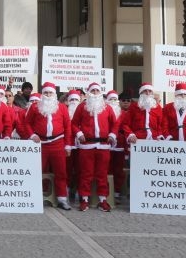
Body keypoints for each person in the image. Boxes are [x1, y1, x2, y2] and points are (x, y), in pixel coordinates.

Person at [23, 82, 73, 210]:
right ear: (42, 94)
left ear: (54, 94)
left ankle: (62, 198)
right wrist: (32, 135)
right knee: (37, 171)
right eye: (46, 93)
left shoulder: (61, 107)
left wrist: (68, 145)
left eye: (50, 92)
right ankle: (35, 196)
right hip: (41, 144)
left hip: (58, 143)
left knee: (61, 172)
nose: (48, 95)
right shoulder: (35, 107)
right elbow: (27, 123)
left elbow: (67, 126)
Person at [71, 82, 119, 212]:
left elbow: (115, 124)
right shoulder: (82, 107)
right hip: (87, 145)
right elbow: (74, 123)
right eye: (93, 91)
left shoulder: (107, 108)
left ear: (101, 93)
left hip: (103, 146)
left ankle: (103, 200)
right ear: (89, 93)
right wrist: (79, 133)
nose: (95, 93)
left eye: (97, 91)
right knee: (86, 174)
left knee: (102, 174)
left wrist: (112, 135)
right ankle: (84, 199)